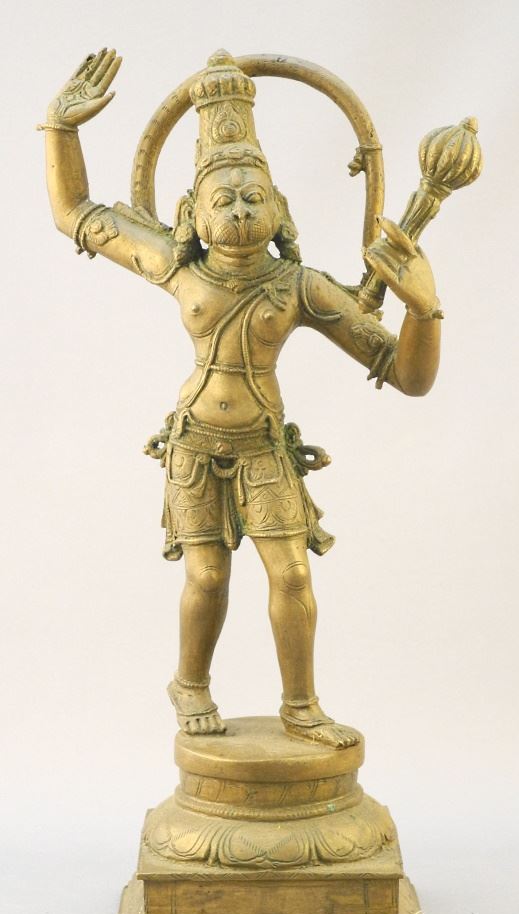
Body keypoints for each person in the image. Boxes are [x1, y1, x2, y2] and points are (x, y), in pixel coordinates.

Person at [42, 49, 442, 748]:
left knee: (292, 576)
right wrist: (60, 130)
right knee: (205, 578)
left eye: (253, 197)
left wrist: (423, 311)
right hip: (195, 445)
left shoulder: (300, 286)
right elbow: (72, 210)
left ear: (280, 208)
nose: (239, 208)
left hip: (263, 446)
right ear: (190, 213)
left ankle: (301, 705)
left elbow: (408, 376)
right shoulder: (175, 265)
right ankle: (190, 683)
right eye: (222, 199)